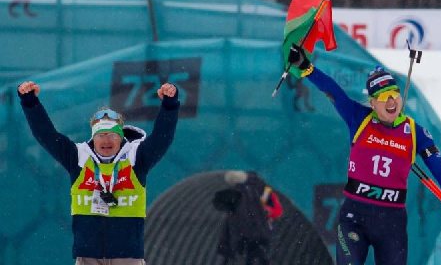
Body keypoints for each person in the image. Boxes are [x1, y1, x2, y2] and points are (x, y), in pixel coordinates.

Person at [287, 44, 441, 265]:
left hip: (391, 223)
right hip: (355, 216)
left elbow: (439, 169)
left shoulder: (415, 132)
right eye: (383, 96)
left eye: (394, 94)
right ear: (373, 103)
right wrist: (306, 67)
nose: (390, 101)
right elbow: (333, 90)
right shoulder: (359, 118)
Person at [17, 80, 180, 265]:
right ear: (93, 137)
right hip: (88, 255)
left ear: (120, 136)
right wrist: (30, 103)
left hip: (127, 256)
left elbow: (162, 138)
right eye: (100, 135)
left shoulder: (136, 158)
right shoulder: (78, 158)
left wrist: (169, 105)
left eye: (112, 134)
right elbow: (46, 135)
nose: (106, 140)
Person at [213, 170, 283, 265]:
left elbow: (231, 221)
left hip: (247, 236)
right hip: (262, 233)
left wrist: (226, 245)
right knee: (258, 256)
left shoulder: (237, 194)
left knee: (253, 257)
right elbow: (276, 210)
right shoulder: (259, 190)